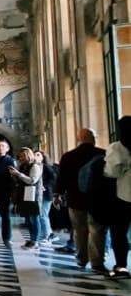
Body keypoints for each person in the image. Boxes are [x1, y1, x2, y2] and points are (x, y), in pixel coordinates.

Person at [55, 128, 107, 273]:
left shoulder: (69, 156)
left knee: (79, 230)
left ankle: (81, 259)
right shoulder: (102, 154)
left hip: (75, 199)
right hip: (98, 199)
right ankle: (97, 262)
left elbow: (61, 178)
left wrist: (57, 194)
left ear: (79, 139)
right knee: (97, 230)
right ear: (93, 138)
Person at [104, 116, 131, 279]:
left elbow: (112, 171)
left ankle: (121, 266)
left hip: (124, 194)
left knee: (119, 231)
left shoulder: (118, 147)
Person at [9, 147, 43, 249]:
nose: (22, 158)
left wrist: (18, 174)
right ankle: (31, 239)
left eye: (24, 155)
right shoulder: (23, 166)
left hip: (33, 196)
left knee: (34, 218)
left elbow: (32, 180)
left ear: (29, 155)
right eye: (20, 156)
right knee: (28, 219)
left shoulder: (35, 166)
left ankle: (35, 240)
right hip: (24, 195)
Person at [35, 150, 57, 246]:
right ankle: (49, 234)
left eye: (38, 155)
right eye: (34, 154)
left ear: (43, 157)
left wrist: (45, 186)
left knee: (43, 215)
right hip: (38, 194)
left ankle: (47, 236)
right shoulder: (35, 167)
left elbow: (54, 177)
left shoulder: (46, 167)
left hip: (46, 194)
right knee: (41, 215)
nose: (36, 156)